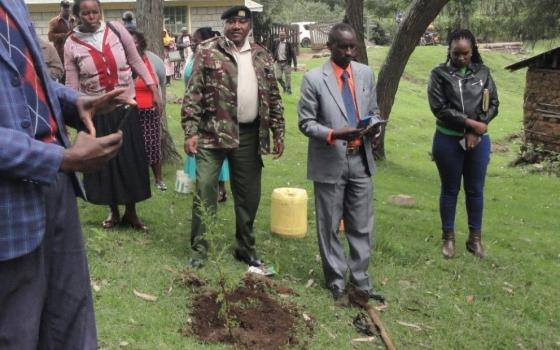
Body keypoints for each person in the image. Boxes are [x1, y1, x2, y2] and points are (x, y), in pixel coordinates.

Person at [0, 0, 129, 347]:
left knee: (71, 318)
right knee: (16, 330)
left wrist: (75, 103)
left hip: (56, 185)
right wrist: (59, 159)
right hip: (9, 207)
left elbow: (28, 78)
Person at [182, 5, 285, 268]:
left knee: (249, 195)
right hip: (211, 133)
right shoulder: (207, 50)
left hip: (249, 135)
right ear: (224, 24)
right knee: (205, 188)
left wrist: (278, 131)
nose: (236, 27)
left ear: (249, 25)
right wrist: (190, 131)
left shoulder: (262, 55)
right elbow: (193, 94)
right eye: (231, 22)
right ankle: (200, 251)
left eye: (242, 22)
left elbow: (273, 96)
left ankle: (245, 248)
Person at [298, 23, 384, 303]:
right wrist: (334, 134)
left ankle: (360, 282)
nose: (349, 52)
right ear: (329, 47)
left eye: (353, 46)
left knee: (361, 224)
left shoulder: (365, 74)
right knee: (330, 224)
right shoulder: (313, 79)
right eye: (343, 47)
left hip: (361, 159)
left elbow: (373, 111)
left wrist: (375, 128)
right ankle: (336, 281)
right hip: (330, 160)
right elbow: (306, 123)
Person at [65, 0, 163, 231]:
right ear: (78, 16)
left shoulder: (117, 30)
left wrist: (153, 86)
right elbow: (71, 81)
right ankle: (113, 211)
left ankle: (131, 212)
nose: (91, 17)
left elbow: (135, 59)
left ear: (100, 11)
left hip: (126, 108)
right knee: (104, 162)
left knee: (130, 161)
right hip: (97, 111)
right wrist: (75, 110)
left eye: (95, 12)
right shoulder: (71, 42)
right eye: (86, 13)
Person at [428, 29, 499, 259]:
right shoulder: (439, 74)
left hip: (478, 141)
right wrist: (470, 124)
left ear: (472, 51)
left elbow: (493, 103)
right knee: (449, 189)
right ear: (449, 51)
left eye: (465, 54)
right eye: (456, 54)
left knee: (475, 190)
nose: (460, 58)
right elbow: (439, 108)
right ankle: (448, 239)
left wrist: (479, 128)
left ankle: (474, 239)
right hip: (448, 139)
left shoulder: (483, 72)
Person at [183, 26, 230, 202]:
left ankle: (220, 188)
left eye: (197, 40)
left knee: (215, 151)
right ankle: (203, 187)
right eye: (193, 41)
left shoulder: (213, 57)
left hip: (210, 114)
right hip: (194, 112)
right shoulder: (193, 56)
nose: (193, 43)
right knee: (198, 152)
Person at [131, 30, 167, 191]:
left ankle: (159, 179)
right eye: (129, 41)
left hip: (148, 109)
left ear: (141, 43)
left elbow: (153, 79)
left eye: (136, 41)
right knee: (132, 146)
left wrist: (157, 98)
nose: (132, 44)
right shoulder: (121, 61)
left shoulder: (145, 60)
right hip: (129, 110)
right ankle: (137, 179)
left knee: (152, 145)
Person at [272, 30, 297, 94]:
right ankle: (284, 87)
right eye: (280, 35)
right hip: (278, 62)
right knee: (278, 77)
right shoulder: (275, 42)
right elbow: (273, 51)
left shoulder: (289, 43)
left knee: (288, 77)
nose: (281, 36)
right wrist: (273, 59)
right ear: (278, 35)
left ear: (285, 36)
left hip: (286, 63)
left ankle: (289, 91)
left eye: (283, 35)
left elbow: (293, 54)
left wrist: (295, 65)